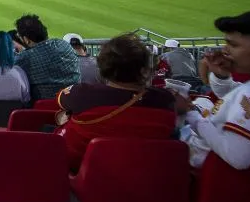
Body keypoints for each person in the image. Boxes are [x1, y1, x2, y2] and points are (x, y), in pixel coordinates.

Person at [176, 10, 250, 170]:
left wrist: (193, 116)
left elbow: (238, 156)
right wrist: (221, 76)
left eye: (233, 45)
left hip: (216, 177)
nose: (225, 50)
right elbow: (235, 95)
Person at [56, 34, 176, 172]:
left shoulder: (83, 93)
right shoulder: (165, 100)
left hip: (85, 176)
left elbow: (61, 98)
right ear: (144, 70)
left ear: (103, 68)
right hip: (147, 177)